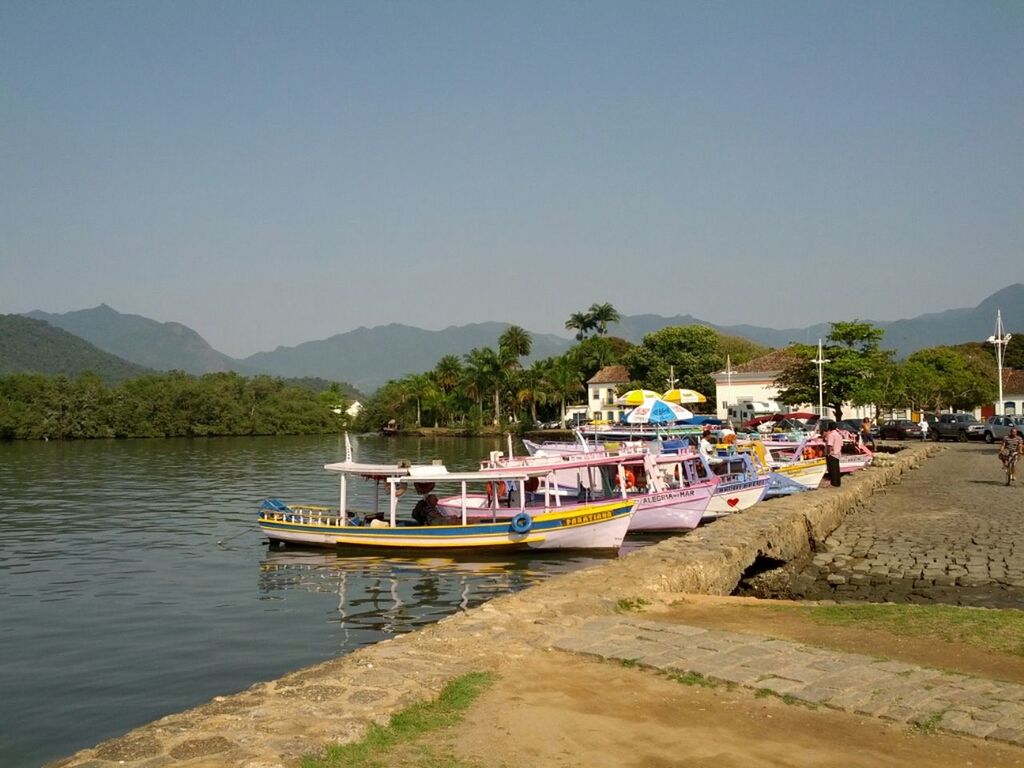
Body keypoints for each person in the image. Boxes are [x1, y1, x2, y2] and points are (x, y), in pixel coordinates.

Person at [824, 422, 844, 487]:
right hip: (837, 453)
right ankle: (838, 483)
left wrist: (828, 453)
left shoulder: (831, 435)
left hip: (832, 454)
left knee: (832, 470)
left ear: (829, 427)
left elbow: (830, 445)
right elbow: (841, 445)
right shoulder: (839, 435)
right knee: (837, 469)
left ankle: (833, 483)